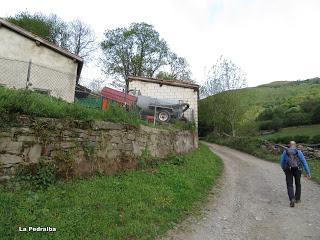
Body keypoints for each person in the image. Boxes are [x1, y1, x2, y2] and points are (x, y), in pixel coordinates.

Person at [280, 141, 311, 207]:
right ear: (295, 145)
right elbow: (304, 162)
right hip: (297, 169)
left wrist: (283, 168)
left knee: (289, 184)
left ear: (289, 145)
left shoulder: (285, 152)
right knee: (298, 183)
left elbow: (282, 161)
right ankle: (297, 198)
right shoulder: (299, 152)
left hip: (288, 169)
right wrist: (308, 172)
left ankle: (292, 199)